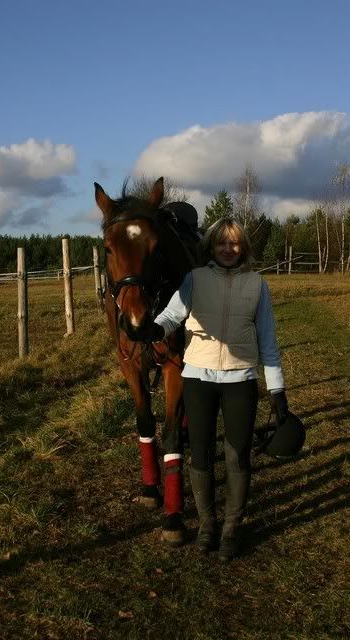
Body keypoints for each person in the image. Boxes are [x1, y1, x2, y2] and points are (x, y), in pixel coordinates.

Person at [147, 217, 288, 561]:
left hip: (241, 379)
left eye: (234, 243)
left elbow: (268, 341)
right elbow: (171, 315)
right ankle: (208, 524)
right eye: (221, 242)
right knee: (201, 452)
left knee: (238, 455)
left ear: (243, 247)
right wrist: (154, 329)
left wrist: (277, 391)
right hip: (198, 379)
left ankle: (231, 528)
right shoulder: (195, 279)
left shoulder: (257, 284)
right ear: (211, 246)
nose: (228, 248)